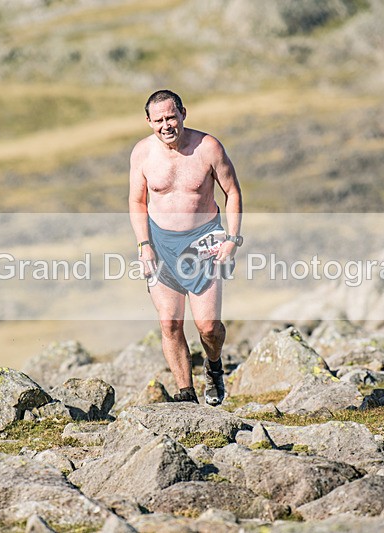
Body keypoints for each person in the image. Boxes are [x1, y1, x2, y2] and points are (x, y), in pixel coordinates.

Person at [128, 90, 243, 405]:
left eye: (171, 117)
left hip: (203, 241)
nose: (166, 125)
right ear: (149, 122)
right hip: (160, 242)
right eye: (159, 120)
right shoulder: (142, 153)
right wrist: (144, 246)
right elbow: (137, 201)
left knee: (207, 327)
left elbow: (232, 192)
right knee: (170, 322)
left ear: (183, 114)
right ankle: (186, 394)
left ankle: (214, 365)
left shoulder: (208, 148)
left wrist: (232, 239)